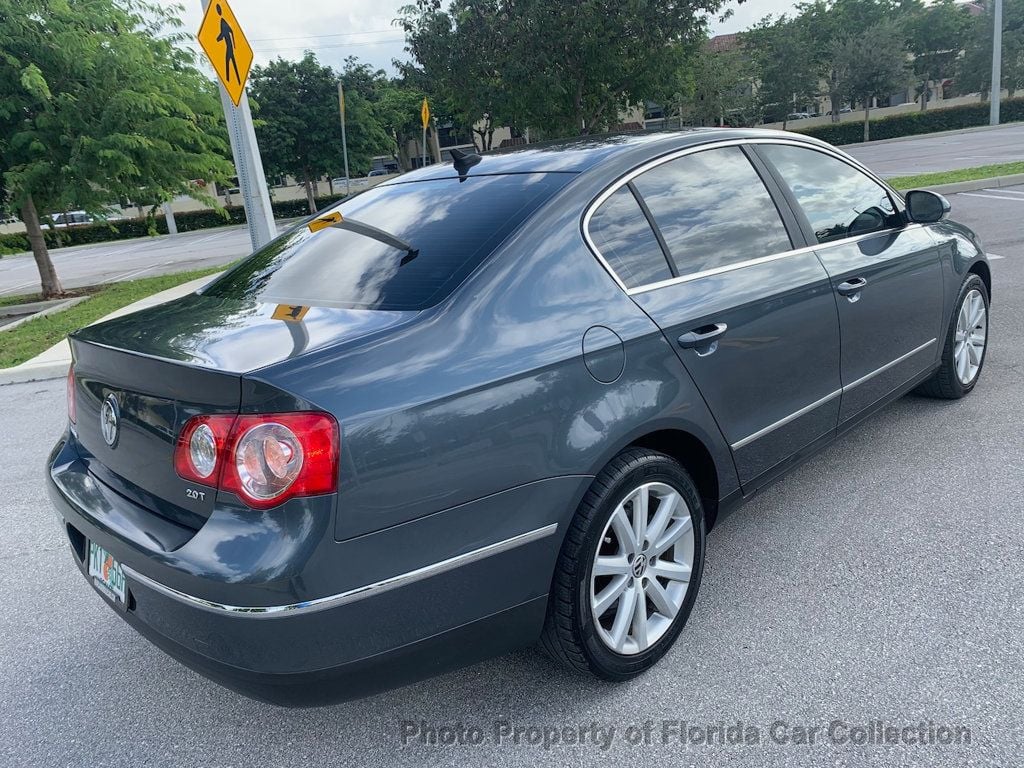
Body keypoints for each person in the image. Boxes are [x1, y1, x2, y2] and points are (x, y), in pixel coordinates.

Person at [215, 4, 240, 84]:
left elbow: (226, 32)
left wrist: (218, 38)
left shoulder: (223, 21)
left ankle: (230, 80)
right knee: (232, 64)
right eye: (217, 10)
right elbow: (229, 32)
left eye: (218, 10)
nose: (218, 11)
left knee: (228, 63)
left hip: (229, 47)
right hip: (229, 46)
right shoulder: (222, 21)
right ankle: (236, 80)